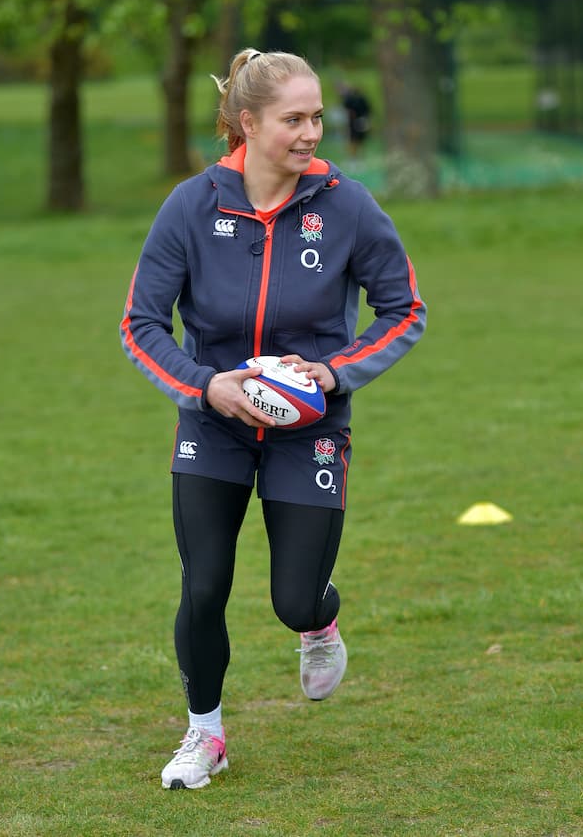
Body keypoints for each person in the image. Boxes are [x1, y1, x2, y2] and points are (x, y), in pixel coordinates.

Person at [120, 48, 426, 791]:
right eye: (295, 118)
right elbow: (140, 325)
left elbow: (404, 308)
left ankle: (319, 625)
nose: (312, 132)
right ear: (247, 123)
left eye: (317, 116)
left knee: (293, 599)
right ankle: (205, 735)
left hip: (310, 432)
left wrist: (334, 372)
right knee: (203, 586)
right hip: (214, 424)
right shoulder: (192, 207)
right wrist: (205, 386)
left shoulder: (347, 206)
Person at [341, 84, 372, 158]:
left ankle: (356, 157)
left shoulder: (352, 99)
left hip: (357, 121)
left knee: (355, 140)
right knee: (357, 140)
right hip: (360, 120)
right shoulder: (361, 99)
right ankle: (356, 157)